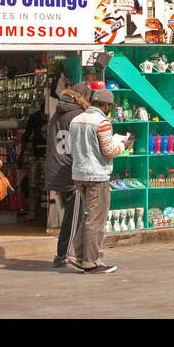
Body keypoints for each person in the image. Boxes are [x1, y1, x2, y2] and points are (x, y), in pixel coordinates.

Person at [69, 84, 127, 274]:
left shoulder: (76, 120)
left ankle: (77, 254)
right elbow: (108, 150)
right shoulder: (102, 123)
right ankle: (91, 261)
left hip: (79, 174)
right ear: (106, 106)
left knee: (90, 216)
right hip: (97, 175)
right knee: (96, 219)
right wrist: (123, 145)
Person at [46, 81, 89, 269]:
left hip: (57, 168)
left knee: (71, 213)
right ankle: (63, 254)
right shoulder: (78, 115)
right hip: (71, 170)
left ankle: (77, 251)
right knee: (74, 216)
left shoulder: (57, 113)